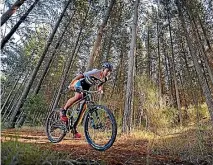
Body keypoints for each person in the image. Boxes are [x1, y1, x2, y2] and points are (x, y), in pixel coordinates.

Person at [60, 62, 113, 138]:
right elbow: (81, 75)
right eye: (107, 71)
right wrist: (71, 84)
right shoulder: (96, 72)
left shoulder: (105, 79)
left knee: (83, 108)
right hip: (79, 83)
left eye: (110, 72)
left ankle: (74, 129)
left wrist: (100, 90)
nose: (108, 73)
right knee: (78, 96)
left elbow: (100, 85)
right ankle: (63, 110)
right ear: (103, 69)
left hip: (87, 87)